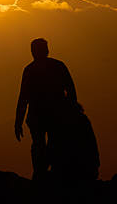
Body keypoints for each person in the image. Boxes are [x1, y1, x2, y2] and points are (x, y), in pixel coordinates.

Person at [14, 37, 76, 181]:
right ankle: (50, 174)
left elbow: (23, 98)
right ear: (47, 50)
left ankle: (40, 174)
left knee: (40, 145)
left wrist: (18, 122)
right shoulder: (58, 66)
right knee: (54, 144)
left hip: (41, 116)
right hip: (54, 115)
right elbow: (71, 91)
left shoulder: (30, 70)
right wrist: (72, 111)